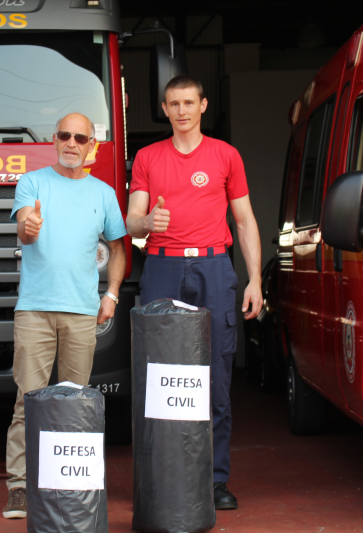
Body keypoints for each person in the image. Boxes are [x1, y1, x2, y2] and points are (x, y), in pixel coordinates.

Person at [126, 74, 263, 511]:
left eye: (189, 102)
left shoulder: (225, 155)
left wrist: (255, 279)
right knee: (160, 376)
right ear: (164, 110)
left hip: (213, 266)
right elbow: (132, 220)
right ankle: (161, 479)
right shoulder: (147, 157)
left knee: (216, 375)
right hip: (162, 265)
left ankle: (215, 481)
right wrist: (148, 224)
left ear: (203, 105)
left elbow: (244, 220)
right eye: (174, 104)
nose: (181, 111)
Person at [1, 113, 127, 519]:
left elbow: (119, 249)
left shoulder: (104, 193)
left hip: (82, 312)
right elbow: (24, 230)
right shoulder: (32, 183)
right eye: (64, 135)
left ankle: (69, 485)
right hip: (34, 311)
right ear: (54, 140)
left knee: (75, 403)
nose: (72, 143)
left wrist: (111, 294)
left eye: (80, 137)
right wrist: (31, 226)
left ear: (91, 146)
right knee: (28, 402)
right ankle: (19, 487)